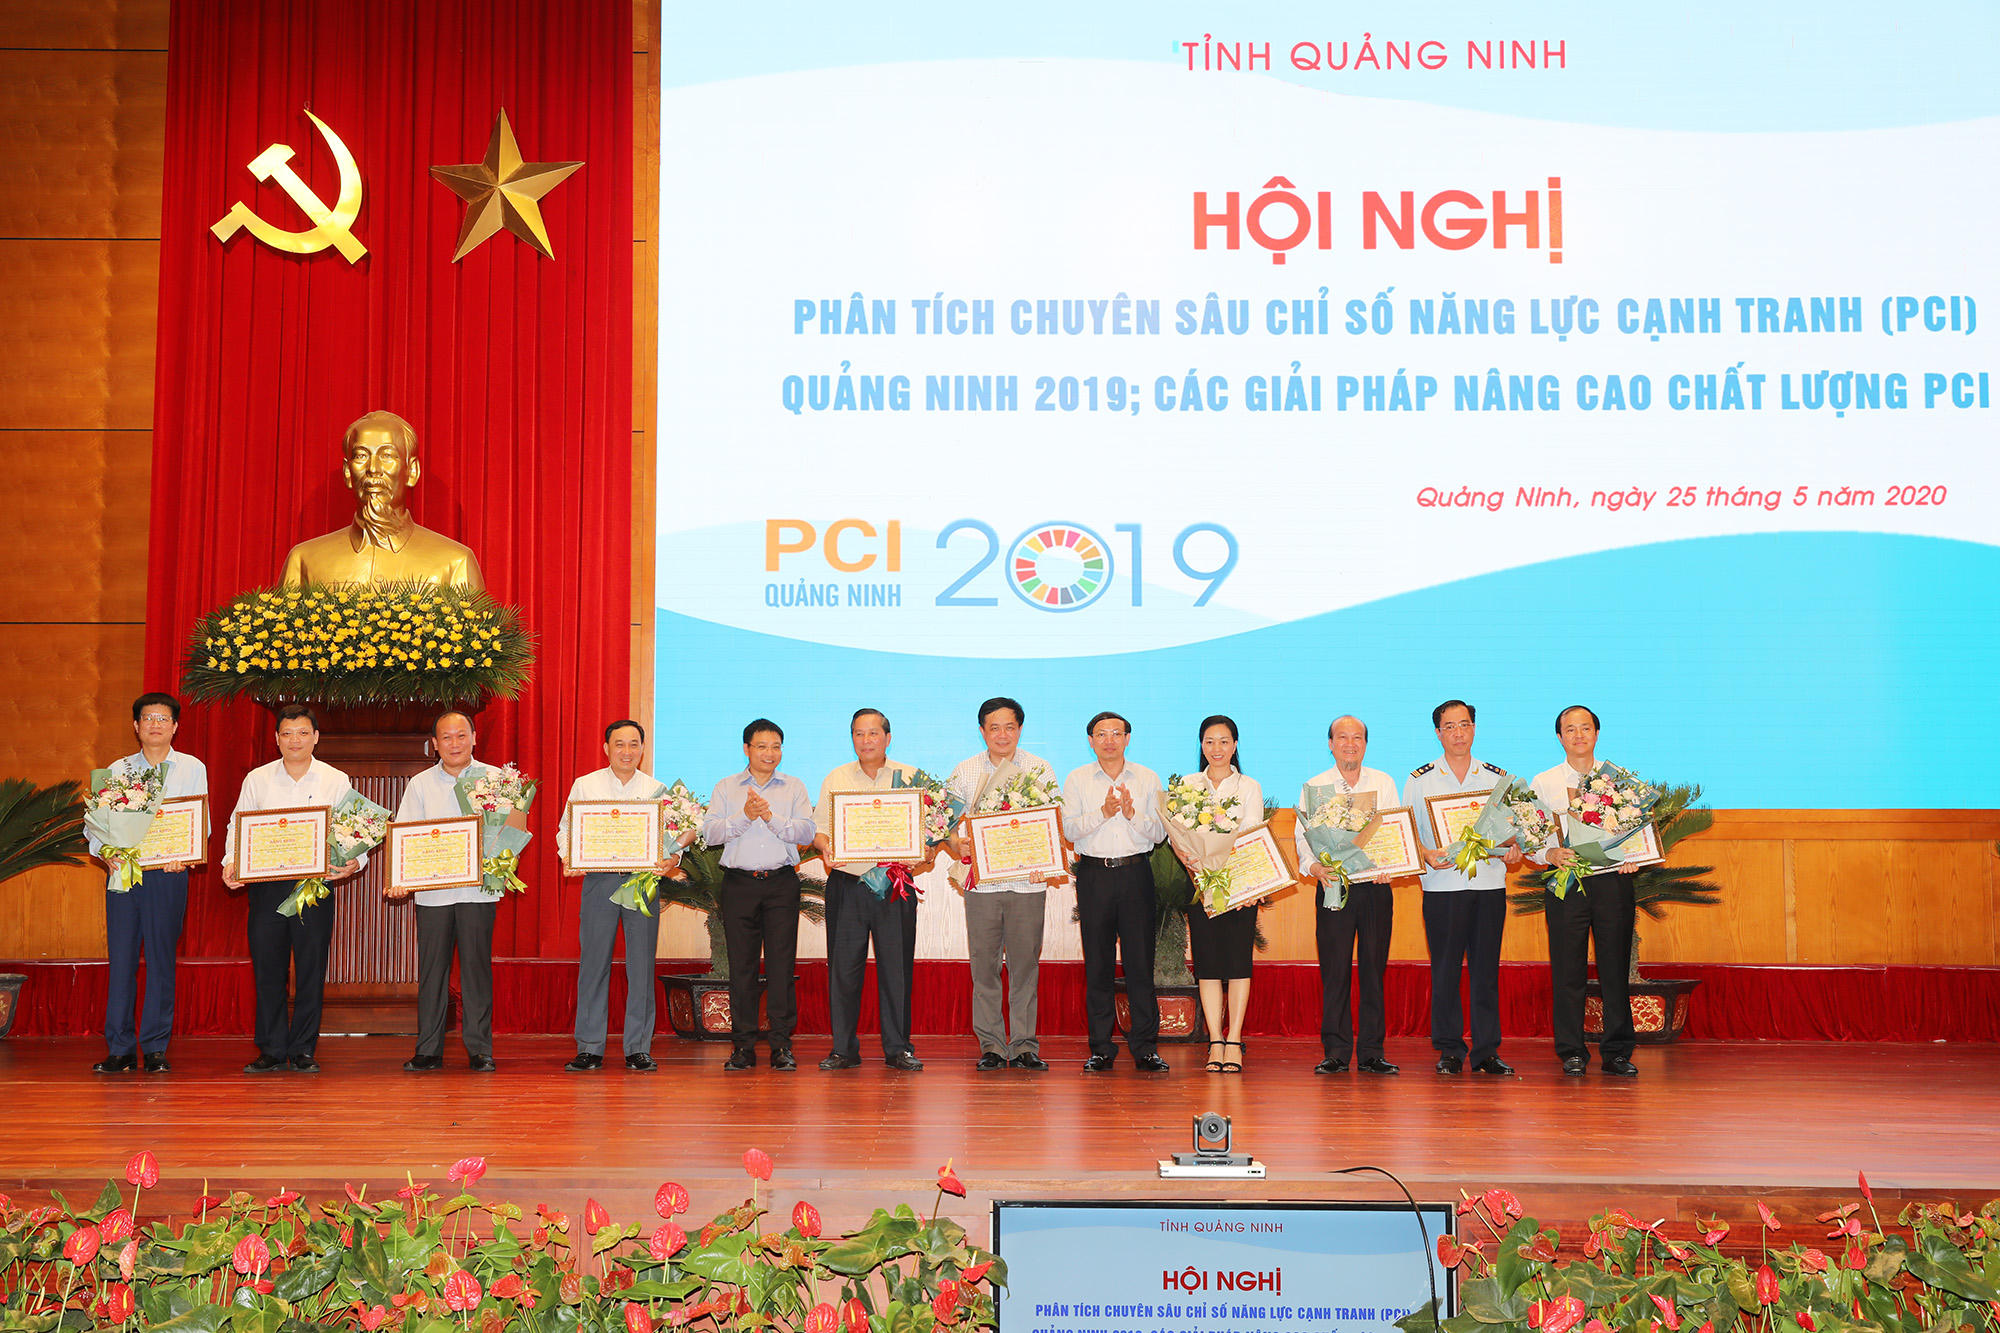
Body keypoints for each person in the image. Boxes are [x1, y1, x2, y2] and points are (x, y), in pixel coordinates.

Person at [221, 704, 364, 1073]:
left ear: (315, 737)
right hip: (266, 886)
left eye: (302, 733)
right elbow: (237, 826)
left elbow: (353, 829)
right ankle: (271, 1049)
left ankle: (303, 1049)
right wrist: (230, 862)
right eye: (287, 733)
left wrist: (356, 861)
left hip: (315, 886)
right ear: (276, 739)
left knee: (311, 970)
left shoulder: (335, 779)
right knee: (268, 969)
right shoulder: (257, 779)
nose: (295, 740)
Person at [88, 692, 208, 1074]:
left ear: (175, 726)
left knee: (160, 960)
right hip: (124, 874)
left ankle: (155, 1047)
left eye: (163, 718)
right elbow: (97, 824)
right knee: (121, 960)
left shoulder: (192, 768)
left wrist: (186, 855)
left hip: (168, 875)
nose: (155, 724)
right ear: (136, 726)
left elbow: (200, 822)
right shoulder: (118, 769)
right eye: (148, 718)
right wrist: (104, 852)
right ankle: (120, 1049)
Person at [1403, 699, 1524, 1077]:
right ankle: (1450, 1050)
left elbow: (1513, 835)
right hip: (1441, 888)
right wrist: (1426, 853)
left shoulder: (1497, 778)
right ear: (1438, 733)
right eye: (1450, 726)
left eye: (1465, 724)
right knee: (1445, 972)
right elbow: (1407, 833)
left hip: (1488, 885)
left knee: (1486, 972)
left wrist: (1514, 850)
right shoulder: (1420, 780)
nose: (1458, 733)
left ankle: (1487, 1051)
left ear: (1474, 728)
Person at [556, 719, 684, 1072]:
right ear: (606, 748)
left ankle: (638, 1048)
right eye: (619, 744)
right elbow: (566, 829)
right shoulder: (586, 785)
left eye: (633, 744)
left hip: (642, 883)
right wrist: (570, 856)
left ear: (642, 749)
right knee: (594, 963)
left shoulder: (657, 790)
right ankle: (589, 1047)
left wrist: (673, 859)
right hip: (599, 881)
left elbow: (675, 837)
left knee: (641, 966)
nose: (627, 751)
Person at [812, 708, 930, 1071]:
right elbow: (820, 829)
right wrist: (825, 847)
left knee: (896, 969)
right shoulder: (837, 778)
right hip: (848, 884)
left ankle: (898, 1048)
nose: (866, 741)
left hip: (894, 884)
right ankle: (843, 1049)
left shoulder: (909, 778)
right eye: (859, 734)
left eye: (873, 733)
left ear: (887, 738)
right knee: (844, 970)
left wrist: (924, 849)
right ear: (852, 738)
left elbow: (930, 830)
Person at [944, 697, 1058, 1071]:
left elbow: (1053, 821)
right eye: (994, 728)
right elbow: (944, 823)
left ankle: (1024, 1045)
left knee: (1025, 968)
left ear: (1020, 729)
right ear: (982, 732)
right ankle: (991, 1046)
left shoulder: (1039, 769)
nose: (1002, 734)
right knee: (985, 968)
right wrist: (955, 844)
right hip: (982, 886)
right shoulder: (965, 771)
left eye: (1010, 727)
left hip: (1028, 883)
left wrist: (1047, 859)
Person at [392, 711, 507, 1073]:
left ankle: (480, 1049)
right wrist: (402, 878)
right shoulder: (420, 784)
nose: (454, 744)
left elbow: (509, 831)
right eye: (446, 737)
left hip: (478, 892)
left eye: (461, 736)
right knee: (432, 972)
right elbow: (405, 833)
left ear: (474, 737)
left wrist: (500, 857)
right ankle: (428, 1049)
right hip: (433, 894)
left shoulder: (496, 780)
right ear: (435, 744)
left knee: (476, 971)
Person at [1531, 705, 1642, 1078]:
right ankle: (1572, 1051)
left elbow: (1637, 832)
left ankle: (1617, 1052)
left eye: (1585, 728)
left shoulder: (1620, 780)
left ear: (1596, 733)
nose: (1578, 735)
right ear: (1559, 737)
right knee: (1568, 970)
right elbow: (1531, 837)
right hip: (1567, 882)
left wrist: (1634, 858)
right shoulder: (1544, 782)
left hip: (1612, 882)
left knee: (1615, 969)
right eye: (1570, 729)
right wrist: (1548, 854)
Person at [701, 719, 815, 1071]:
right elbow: (710, 834)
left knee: (781, 966)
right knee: (742, 968)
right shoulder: (726, 787)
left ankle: (781, 1046)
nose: (770, 753)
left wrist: (771, 817)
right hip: (739, 885)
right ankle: (743, 1047)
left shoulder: (794, 787)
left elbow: (807, 831)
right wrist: (745, 816)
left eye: (776, 746)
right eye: (762, 746)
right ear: (747, 749)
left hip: (781, 883)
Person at [1062, 711, 1170, 1073]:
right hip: (1094, 875)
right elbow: (1069, 831)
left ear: (1127, 739)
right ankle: (1101, 1048)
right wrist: (1104, 813)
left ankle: (1146, 1048)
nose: (1109, 740)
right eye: (1101, 734)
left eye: (1116, 733)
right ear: (1090, 741)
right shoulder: (1077, 779)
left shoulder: (1147, 778)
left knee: (1140, 964)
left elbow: (1159, 834)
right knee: (1098, 965)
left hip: (1135, 873)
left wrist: (1131, 812)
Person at [1296, 715, 1400, 1076]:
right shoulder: (1315, 786)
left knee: (1373, 971)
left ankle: (1372, 1051)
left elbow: (1392, 830)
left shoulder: (1383, 782)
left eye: (1357, 738)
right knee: (1335, 970)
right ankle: (1336, 1051)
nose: (1350, 744)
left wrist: (1391, 864)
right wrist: (1314, 868)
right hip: (1333, 886)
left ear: (1366, 744)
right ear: (1331, 744)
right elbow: (1303, 838)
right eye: (1342, 738)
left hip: (1374, 887)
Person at [279, 410, 485, 589]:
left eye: (387, 455)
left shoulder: (455, 563)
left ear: (412, 471)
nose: (373, 469)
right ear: (347, 472)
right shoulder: (304, 560)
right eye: (361, 456)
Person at [1178, 715, 1263, 1074]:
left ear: (1235, 745)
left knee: (1239, 963)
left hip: (1238, 886)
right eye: (1210, 741)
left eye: (1224, 741)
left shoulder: (1248, 786)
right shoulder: (1188, 785)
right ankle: (1215, 1040)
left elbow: (1253, 835)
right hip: (1201, 884)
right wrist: (1186, 856)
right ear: (1201, 745)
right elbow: (1178, 833)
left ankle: (1235, 1039)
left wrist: (1248, 884)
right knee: (1208, 964)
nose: (1217, 748)